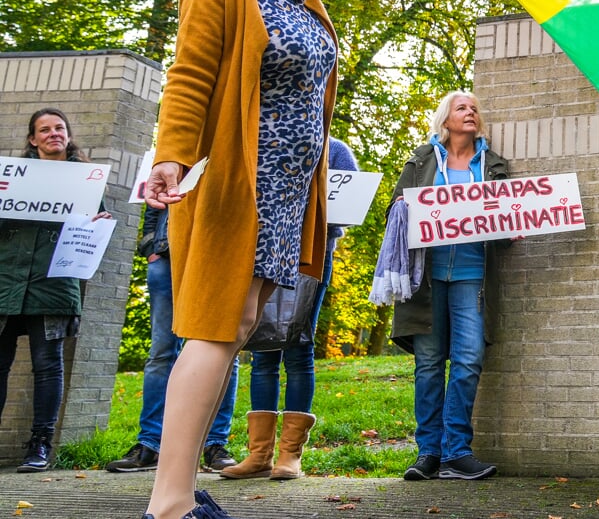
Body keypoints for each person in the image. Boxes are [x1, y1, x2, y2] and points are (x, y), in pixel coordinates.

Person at [141, 0, 388, 519]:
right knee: (216, 326)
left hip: (284, 190)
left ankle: (177, 491)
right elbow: (189, 74)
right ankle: (169, 500)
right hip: (235, 182)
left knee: (237, 321)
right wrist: (172, 155)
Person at [389, 91, 509, 482]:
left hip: (472, 276)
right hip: (426, 278)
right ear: (446, 119)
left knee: (469, 358)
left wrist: (516, 227)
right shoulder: (421, 160)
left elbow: (507, 223)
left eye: (475, 108)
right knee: (427, 363)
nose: (471, 112)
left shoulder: (494, 166)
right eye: (462, 108)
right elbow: (396, 213)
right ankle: (429, 454)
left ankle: (457, 452)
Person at [221, 137, 356, 481]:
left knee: (298, 346)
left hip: (314, 252)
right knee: (263, 347)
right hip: (265, 248)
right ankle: (259, 454)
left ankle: (290, 456)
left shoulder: (336, 151)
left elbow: (348, 208)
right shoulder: (267, 142)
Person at [0, 108, 112, 472]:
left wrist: (100, 224)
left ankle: (40, 445)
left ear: (68, 134)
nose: (53, 134)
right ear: (33, 139)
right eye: (44, 130)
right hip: (6, 282)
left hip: (54, 285)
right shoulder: (13, 178)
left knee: (48, 367)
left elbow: (96, 228)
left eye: (59, 128)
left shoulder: (86, 181)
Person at [105, 206, 239, 474]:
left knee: (221, 348)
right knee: (161, 351)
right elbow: (155, 203)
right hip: (167, 254)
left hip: (220, 250)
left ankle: (214, 445)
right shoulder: (171, 161)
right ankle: (150, 444)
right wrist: (151, 248)